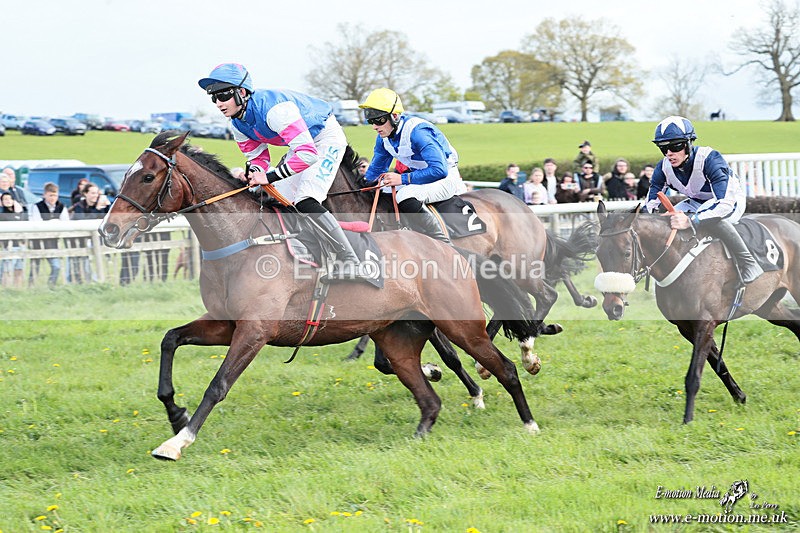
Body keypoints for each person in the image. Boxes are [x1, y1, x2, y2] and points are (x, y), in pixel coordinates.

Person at [198, 62, 369, 280]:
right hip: (302, 145)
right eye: (214, 97)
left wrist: (268, 176)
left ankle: (351, 261)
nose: (218, 103)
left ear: (241, 92)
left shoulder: (275, 111)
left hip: (325, 139)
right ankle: (307, 255)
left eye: (223, 95)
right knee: (280, 200)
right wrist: (255, 173)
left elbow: (308, 155)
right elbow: (258, 158)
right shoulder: (237, 123)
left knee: (306, 200)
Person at [645, 115, 762, 283]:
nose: (669, 153)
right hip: (696, 202)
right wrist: (648, 218)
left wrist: (691, 220)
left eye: (675, 146)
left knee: (710, 218)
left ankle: (749, 262)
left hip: (729, 201)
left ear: (688, 143)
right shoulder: (663, 168)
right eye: (663, 148)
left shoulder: (710, 159)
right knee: (667, 221)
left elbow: (723, 204)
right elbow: (651, 203)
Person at [358, 88, 464, 244]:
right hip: (419, 179)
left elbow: (439, 170)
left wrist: (402, 178)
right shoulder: (383, 138)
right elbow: (376, 171)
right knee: (379, 192)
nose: (374, 126)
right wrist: (359, 187)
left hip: (445, 178)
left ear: (395, 116)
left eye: (379, 120)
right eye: (371, 121)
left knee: (405, 195)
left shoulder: (418, 132)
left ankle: (442, 242)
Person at [28, 182, 70, 286]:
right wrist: (54, 222)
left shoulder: (61, 207)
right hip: (37, 240)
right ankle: (31, 286)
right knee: (35, 266)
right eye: (50, 195)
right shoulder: (37, 206)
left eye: (55, 195)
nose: (53, 198)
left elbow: (65, 223)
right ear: (44, 195)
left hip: (53, 241)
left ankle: (51, 286)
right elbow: (36, 223)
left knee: (56, 266)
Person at [71, 183, 111, 282]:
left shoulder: (102, 204)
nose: (95, 195)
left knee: (100, 261)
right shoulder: (79, 206)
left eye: (97, 193)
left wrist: (109, 206)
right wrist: (97, 209)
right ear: (85, 194)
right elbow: (84, 222)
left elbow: (110, 218)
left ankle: (101, 281)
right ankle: (83, 281)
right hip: (79, 240)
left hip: (98, 240)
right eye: (93, 193)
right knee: (82, 264)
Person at [0, 192, 27, 288]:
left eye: (9, 199)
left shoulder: (20, 213)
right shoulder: (2, 215)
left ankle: (17, 289)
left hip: (20, 244)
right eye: (5, 199)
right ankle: (5, 288)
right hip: (8, 245)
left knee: (19, 269)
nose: (7, 201)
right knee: (7, 269)